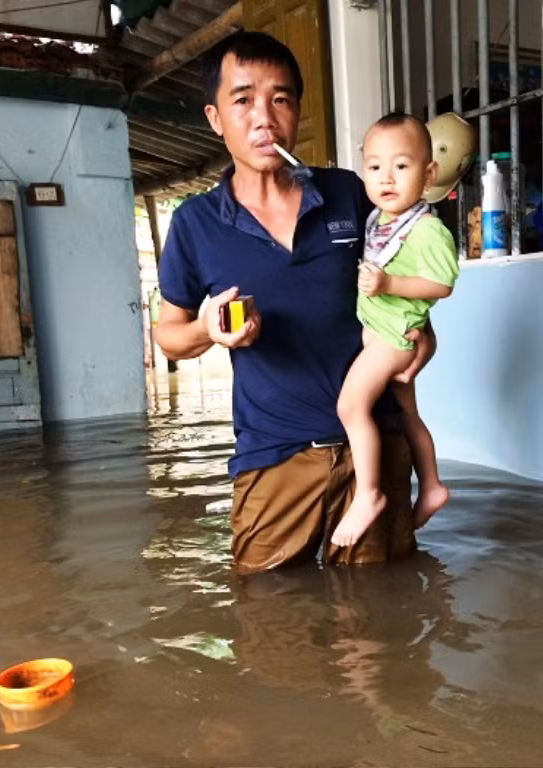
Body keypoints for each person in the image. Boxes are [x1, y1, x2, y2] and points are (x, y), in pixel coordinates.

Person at [152, 31, 435, 572]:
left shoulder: (351, 194)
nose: (264, 117)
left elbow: (404, 285)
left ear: (297, 111)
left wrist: (425, 335)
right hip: (273, 459)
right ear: (215, 118)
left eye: (280, 99)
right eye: (243, 101)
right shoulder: (195, 223)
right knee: (269, 625)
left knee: (380, 625)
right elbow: (168, 334)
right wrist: (208, 329)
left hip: (373, 446)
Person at [330, 113, 460, 548]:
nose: (386, 177)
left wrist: (389, 284)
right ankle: (433, 486)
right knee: (408, 416)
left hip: (394, 338)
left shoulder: (426, 228)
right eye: (374, 167)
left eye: (401, 167)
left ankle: (368, 494)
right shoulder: (379, 220)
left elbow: (442, 284)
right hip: (382, 332)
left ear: (429, 174)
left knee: (351, 408)